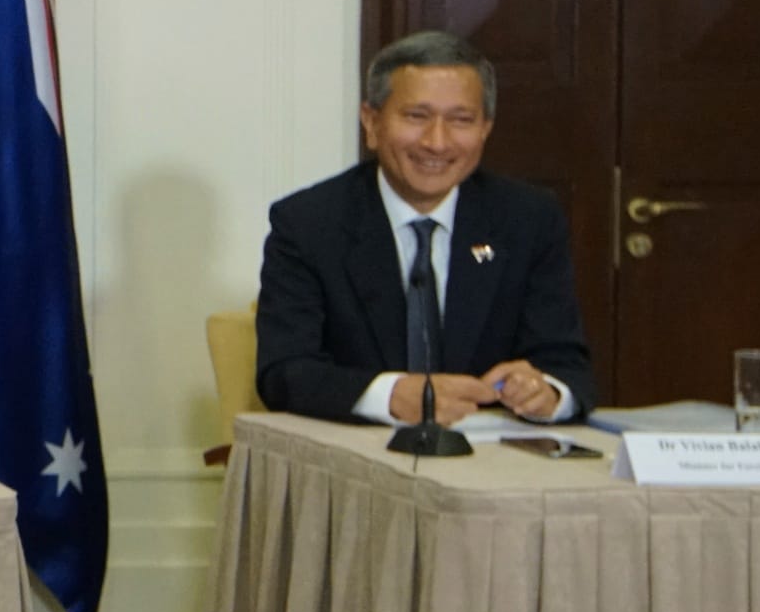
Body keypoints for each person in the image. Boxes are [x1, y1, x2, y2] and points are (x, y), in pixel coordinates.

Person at [254, 30, 595, 427]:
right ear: (371, 121)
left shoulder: (528, 220)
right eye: (416, 117)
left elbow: (568, 366)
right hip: (363, 458)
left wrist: (546, 392)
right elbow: (284, 372)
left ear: (485, 128)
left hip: (487, 461)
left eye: (461, 120)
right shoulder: (309, 223)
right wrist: (394, 394)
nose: (437, 142)